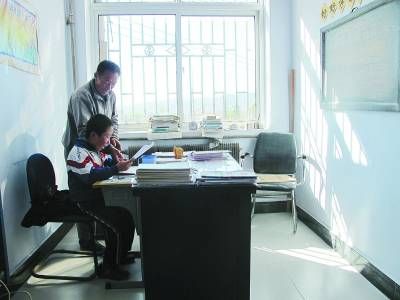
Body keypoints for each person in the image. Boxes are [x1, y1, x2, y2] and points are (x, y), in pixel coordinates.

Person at [62, 60, 123, 251]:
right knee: (85, 189)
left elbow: (113, 120)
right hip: (81, 147)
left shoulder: (111, 95)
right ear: (96, 75)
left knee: (100, 187)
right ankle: (86, 241)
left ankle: (104, 231)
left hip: (100, 146)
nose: (109, 86)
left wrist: (112, 139)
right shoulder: (81, 96)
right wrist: (108, 147)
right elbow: (86, 131)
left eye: (113, 83)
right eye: (106, 81)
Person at [66, 114, 135, 280]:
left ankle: (121, 255)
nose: (108, 141)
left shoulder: (95, 150)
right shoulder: (78, 152)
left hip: (99, 198)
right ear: (93, 135)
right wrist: (116, 168)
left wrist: (116, 161)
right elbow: (90, 176)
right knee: (115, 225)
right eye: (106, 137)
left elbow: (106, 164)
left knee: (127, 216)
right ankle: (108, 268)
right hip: (85, 202)